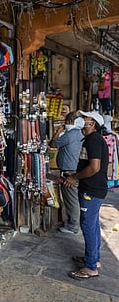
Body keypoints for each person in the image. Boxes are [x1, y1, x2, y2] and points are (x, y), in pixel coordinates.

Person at [61, 110, 108, 280]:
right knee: (93, 226)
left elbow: (94, 167)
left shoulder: (94, 140)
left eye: (85, 118)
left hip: (92, 190)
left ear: (92, 123)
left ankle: (90, 267)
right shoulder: (89, 139)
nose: (81, 120)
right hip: (93, 188)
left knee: (88, 226)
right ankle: (93, 259)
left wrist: (74, 177)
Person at [50, 112, 84, 234]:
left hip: (69, 172)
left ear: (69, 122)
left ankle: (73, 226)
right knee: (72, 198)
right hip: (73, 169)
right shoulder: (79, 134)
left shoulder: (70, 135)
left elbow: (53, 143)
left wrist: (58, 131)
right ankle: (72, 223)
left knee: (71, 199)